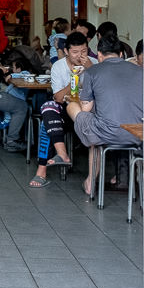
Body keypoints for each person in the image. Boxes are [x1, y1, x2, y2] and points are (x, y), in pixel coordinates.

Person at [65, 33, 144, 196]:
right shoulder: (140, 72)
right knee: (100, 121)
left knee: (73, 107)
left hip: (106, 134)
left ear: (99, 55)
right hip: (138, 135)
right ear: (121, 54)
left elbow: (86, 109)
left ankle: (90, 182)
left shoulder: (92, 72)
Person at [28, 31, 94, 188]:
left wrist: (90, 70)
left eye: (83, 51)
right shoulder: (58, 66)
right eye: (75, 52)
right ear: (66, 51)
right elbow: (58, 98)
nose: (80, 56)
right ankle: (50, 163)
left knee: (47, 123)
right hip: (65, 113)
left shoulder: (93, 64)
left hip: (89, 113)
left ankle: (57, 158)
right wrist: (75, 80)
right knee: (48, 109)